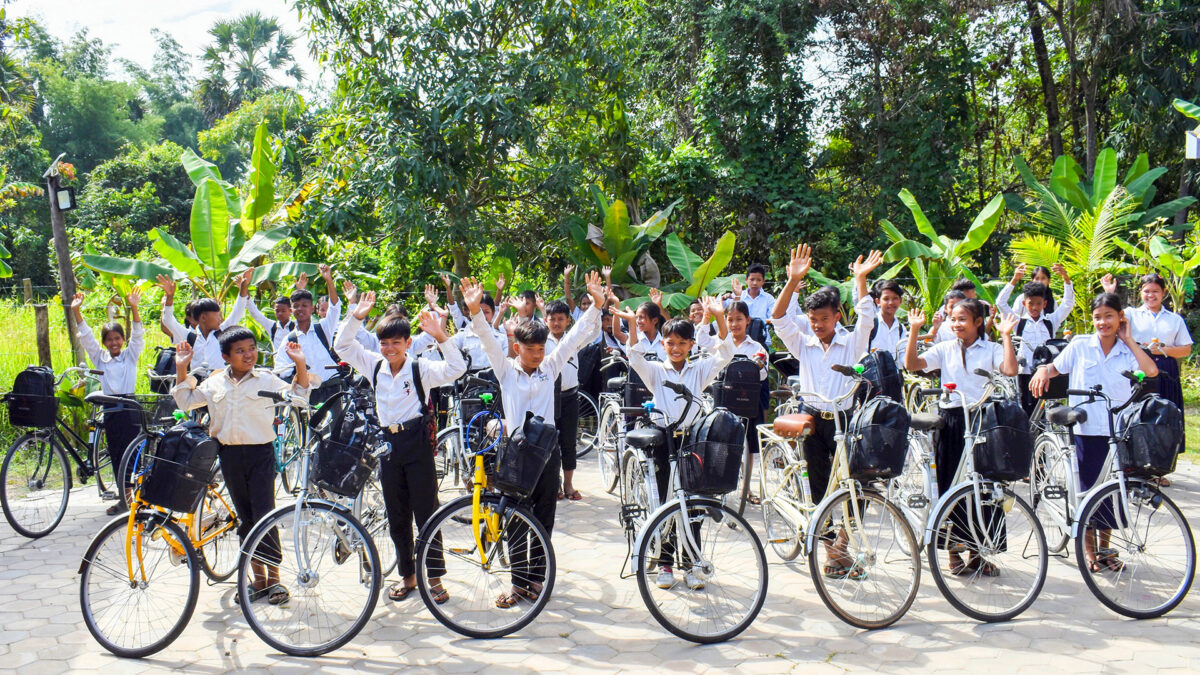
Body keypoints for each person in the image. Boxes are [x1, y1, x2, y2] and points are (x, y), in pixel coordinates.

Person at [461, 271, 605, 608]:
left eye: (541, 348)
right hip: (515, 455)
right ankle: (517, 583)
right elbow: (485, 338)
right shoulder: (506, 370)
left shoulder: (551, 367)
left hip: (547, 454)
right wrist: (474, 312)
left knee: (543, 518)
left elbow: (576, 337)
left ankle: (537, 580)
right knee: (515, 519)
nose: (538, 354)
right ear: (517, 348)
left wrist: (596, 305)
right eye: (531, 349)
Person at [334, 291, 465, 603]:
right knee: (397, 516)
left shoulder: (421, 368)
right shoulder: (374, 365)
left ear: (408, 343)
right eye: (385, 342)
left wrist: (441, 336)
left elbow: (455, 369)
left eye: (396, 342)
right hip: (388, 447)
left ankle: (433, 578)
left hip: (417, 442)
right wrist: (356, 317)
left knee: (427, 512)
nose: (389, 348)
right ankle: (408, 577)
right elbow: (342, 346)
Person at [172, 327, 313, 606]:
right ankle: (257, 580)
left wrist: (299, 363)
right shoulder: (214, 383)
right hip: (229, 456)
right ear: (226, 356)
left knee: (264, 515)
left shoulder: (267, 379)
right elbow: (186, 400)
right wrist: (181, 368)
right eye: (240, 350)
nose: (249, 354)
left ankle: (275, 580)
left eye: (251, 348)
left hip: (260, 455)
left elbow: (299, 395)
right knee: (245, 518)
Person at [771, 245, 883, 579]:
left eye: (824, 318)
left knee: (856, 486)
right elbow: (778, 320)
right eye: (813, 319)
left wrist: (860, 280)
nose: (818, 325)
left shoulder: (852, 343)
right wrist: (792, 281)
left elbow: (866, 320)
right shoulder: (802, 342)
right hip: (812, 420)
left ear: (837, 316)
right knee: (820, 488)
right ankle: (832, 552)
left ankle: (841, 548)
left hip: (845, 420)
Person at [1029, 292, 1158, 573]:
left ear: (1120, 318)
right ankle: (1089, 551)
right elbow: (1055, 368)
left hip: (1117, 431)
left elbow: (1150, 371)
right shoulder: (1080, 345)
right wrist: (1041, 371)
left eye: (1109, 316)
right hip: (1086, 428)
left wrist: (1129, 340)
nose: (1103, 322)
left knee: (1113, 493)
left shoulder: (1127, 349)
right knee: (1088, 491)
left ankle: (1105, 550)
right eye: (1098, 317)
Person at [904, 298, 1019, 576]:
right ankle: (953, 554)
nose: (956, 324)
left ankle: (980, 553)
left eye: (962, 319)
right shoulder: (944, 348)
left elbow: (1010, 370)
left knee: (985, 487)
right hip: (952, 421)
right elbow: (912, 364)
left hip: (983, 419)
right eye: (953, 319)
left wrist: (1005, 336)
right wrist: (915, 331)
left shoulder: (990, 349)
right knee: (950, 485)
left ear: (978, 322)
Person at [627, 295, 733, 589]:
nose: (675, 349)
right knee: (665, 503)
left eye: (682, 343)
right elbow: (634, 357)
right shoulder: (656, 371)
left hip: (691, 441)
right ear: (663, 344)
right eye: (670, 343)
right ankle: (664, 563)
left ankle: (693, 563)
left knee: (693, 503)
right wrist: (632, 328)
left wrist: (718, 317)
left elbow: (726, 354)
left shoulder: (699, 369)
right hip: (662, 442)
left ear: (691, 345)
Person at [1103, 272, 1192, 468]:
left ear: (1164, 293)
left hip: (1166, 370)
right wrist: (1109, 293)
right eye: (1146, 291)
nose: (1151, 295)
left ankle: (1163, 467)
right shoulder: (1132, 314)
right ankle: (1133, 464)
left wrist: (1163, 349)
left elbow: (1186, 348)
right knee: (1138, 414)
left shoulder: (1175, 319)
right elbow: (1111, 317)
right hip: (1137, 368)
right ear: (1141, 292)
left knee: (1166, 415)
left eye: (1155, 291)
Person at [70, 289, 145, 515]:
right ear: (104, 342)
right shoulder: (99, 358)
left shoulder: (130, 356)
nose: (114, 342)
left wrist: (134, 307)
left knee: (133, 456)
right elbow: (87, 338)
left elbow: (139, 335)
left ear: (123, 340)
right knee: (116, 454)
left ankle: (138, 500)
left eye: (117, 338)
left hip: (130, 409)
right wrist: (76, 310)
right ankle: (125, 500)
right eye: (109, 339)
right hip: (111, 409)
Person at [158, 270, 251, 372]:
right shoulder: (189, 336)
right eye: (216, 315)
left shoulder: (224, 332)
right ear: (203, 318)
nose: (220, 318)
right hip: (198, 385)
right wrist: (169, 298)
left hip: (221, 383)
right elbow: (168, 320)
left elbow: (238, 310)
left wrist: (244, 288)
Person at [276, 264, 343, 403]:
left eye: (304, 306)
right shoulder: (289, 340)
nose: (300, 309)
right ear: (291, 310)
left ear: (312, 308)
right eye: (296, 306)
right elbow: (282, 371)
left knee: (336, 424)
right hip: (309, 395)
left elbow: (335, 308)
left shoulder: (323, 329)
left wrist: (328, 280)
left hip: (333, 388)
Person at [724, 300, 768, 503]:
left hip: (748, 401)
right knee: (726, 443)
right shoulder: (723, 344)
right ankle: (725, 485)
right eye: (730, 319)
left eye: (739, 319)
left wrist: (753, 367)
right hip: (726, 400)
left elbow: (762, 375)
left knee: (749, 447)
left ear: (747, 320)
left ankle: (746, 487)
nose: (734, 324)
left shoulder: (757, 347)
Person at [545, 300, 586, 501]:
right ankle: (553, 485)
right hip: (548, 398)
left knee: (568, 442)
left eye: (560, 319)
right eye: (552, 319)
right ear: (546, 320)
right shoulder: (541, 340)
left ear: (568, 321)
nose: (556, 323)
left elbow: (592, 331)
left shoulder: (574, 340)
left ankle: (569, 484)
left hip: (570, 396)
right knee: (549, 442)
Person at [863, 279, 907, 356]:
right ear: (878, 302)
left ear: (900, 300)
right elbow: (861, 353)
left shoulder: (901, 329)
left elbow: (903, 358)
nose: (891, 302)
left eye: (895, 298)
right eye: (886, 299)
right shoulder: (870, 325)